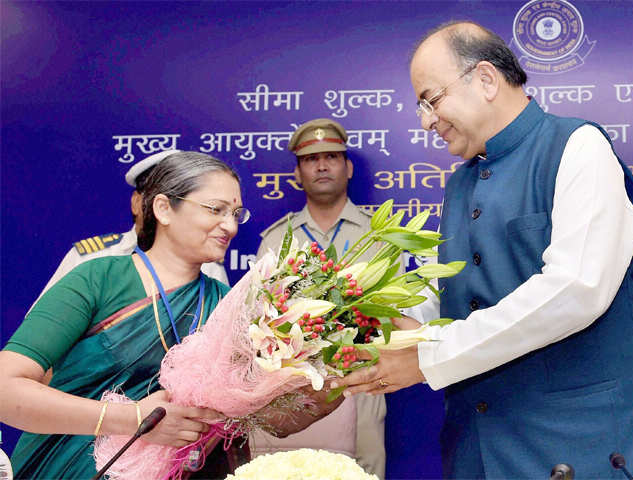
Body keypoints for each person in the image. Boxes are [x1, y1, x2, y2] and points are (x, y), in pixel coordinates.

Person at [333, 21, 633, 479]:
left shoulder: (578, 146)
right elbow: (455, 297)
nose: (425, 121)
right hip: (475, 447)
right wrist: (374, 313)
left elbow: (576, 289)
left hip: (575, 446)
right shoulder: (458, 183)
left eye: (431, 100)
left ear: (485, 79)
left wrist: (428, 356)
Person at [0, 152, 342, 479]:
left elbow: (263, 420)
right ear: (163, 208)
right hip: (74, 466)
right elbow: (7, 388)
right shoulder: (99, 279)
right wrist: (132, 418)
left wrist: (327, 384)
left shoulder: (235, 306)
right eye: (216, 209)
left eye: (236, 214)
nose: (231, 226)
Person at [256, 118, 387, 479]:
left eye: (331, 156)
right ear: (298, 172)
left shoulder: (376, 235)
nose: (322, 165)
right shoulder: (275, 240)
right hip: (293, 390)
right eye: (311, 160)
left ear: (348, 167)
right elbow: (261, 319)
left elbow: (392, 314)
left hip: (360, 379)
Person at [31, 149, 229, 309]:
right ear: (136, 202)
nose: (162, 209)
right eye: (157, 199)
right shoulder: (91, 259)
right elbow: (40, 334)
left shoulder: (208, 265)